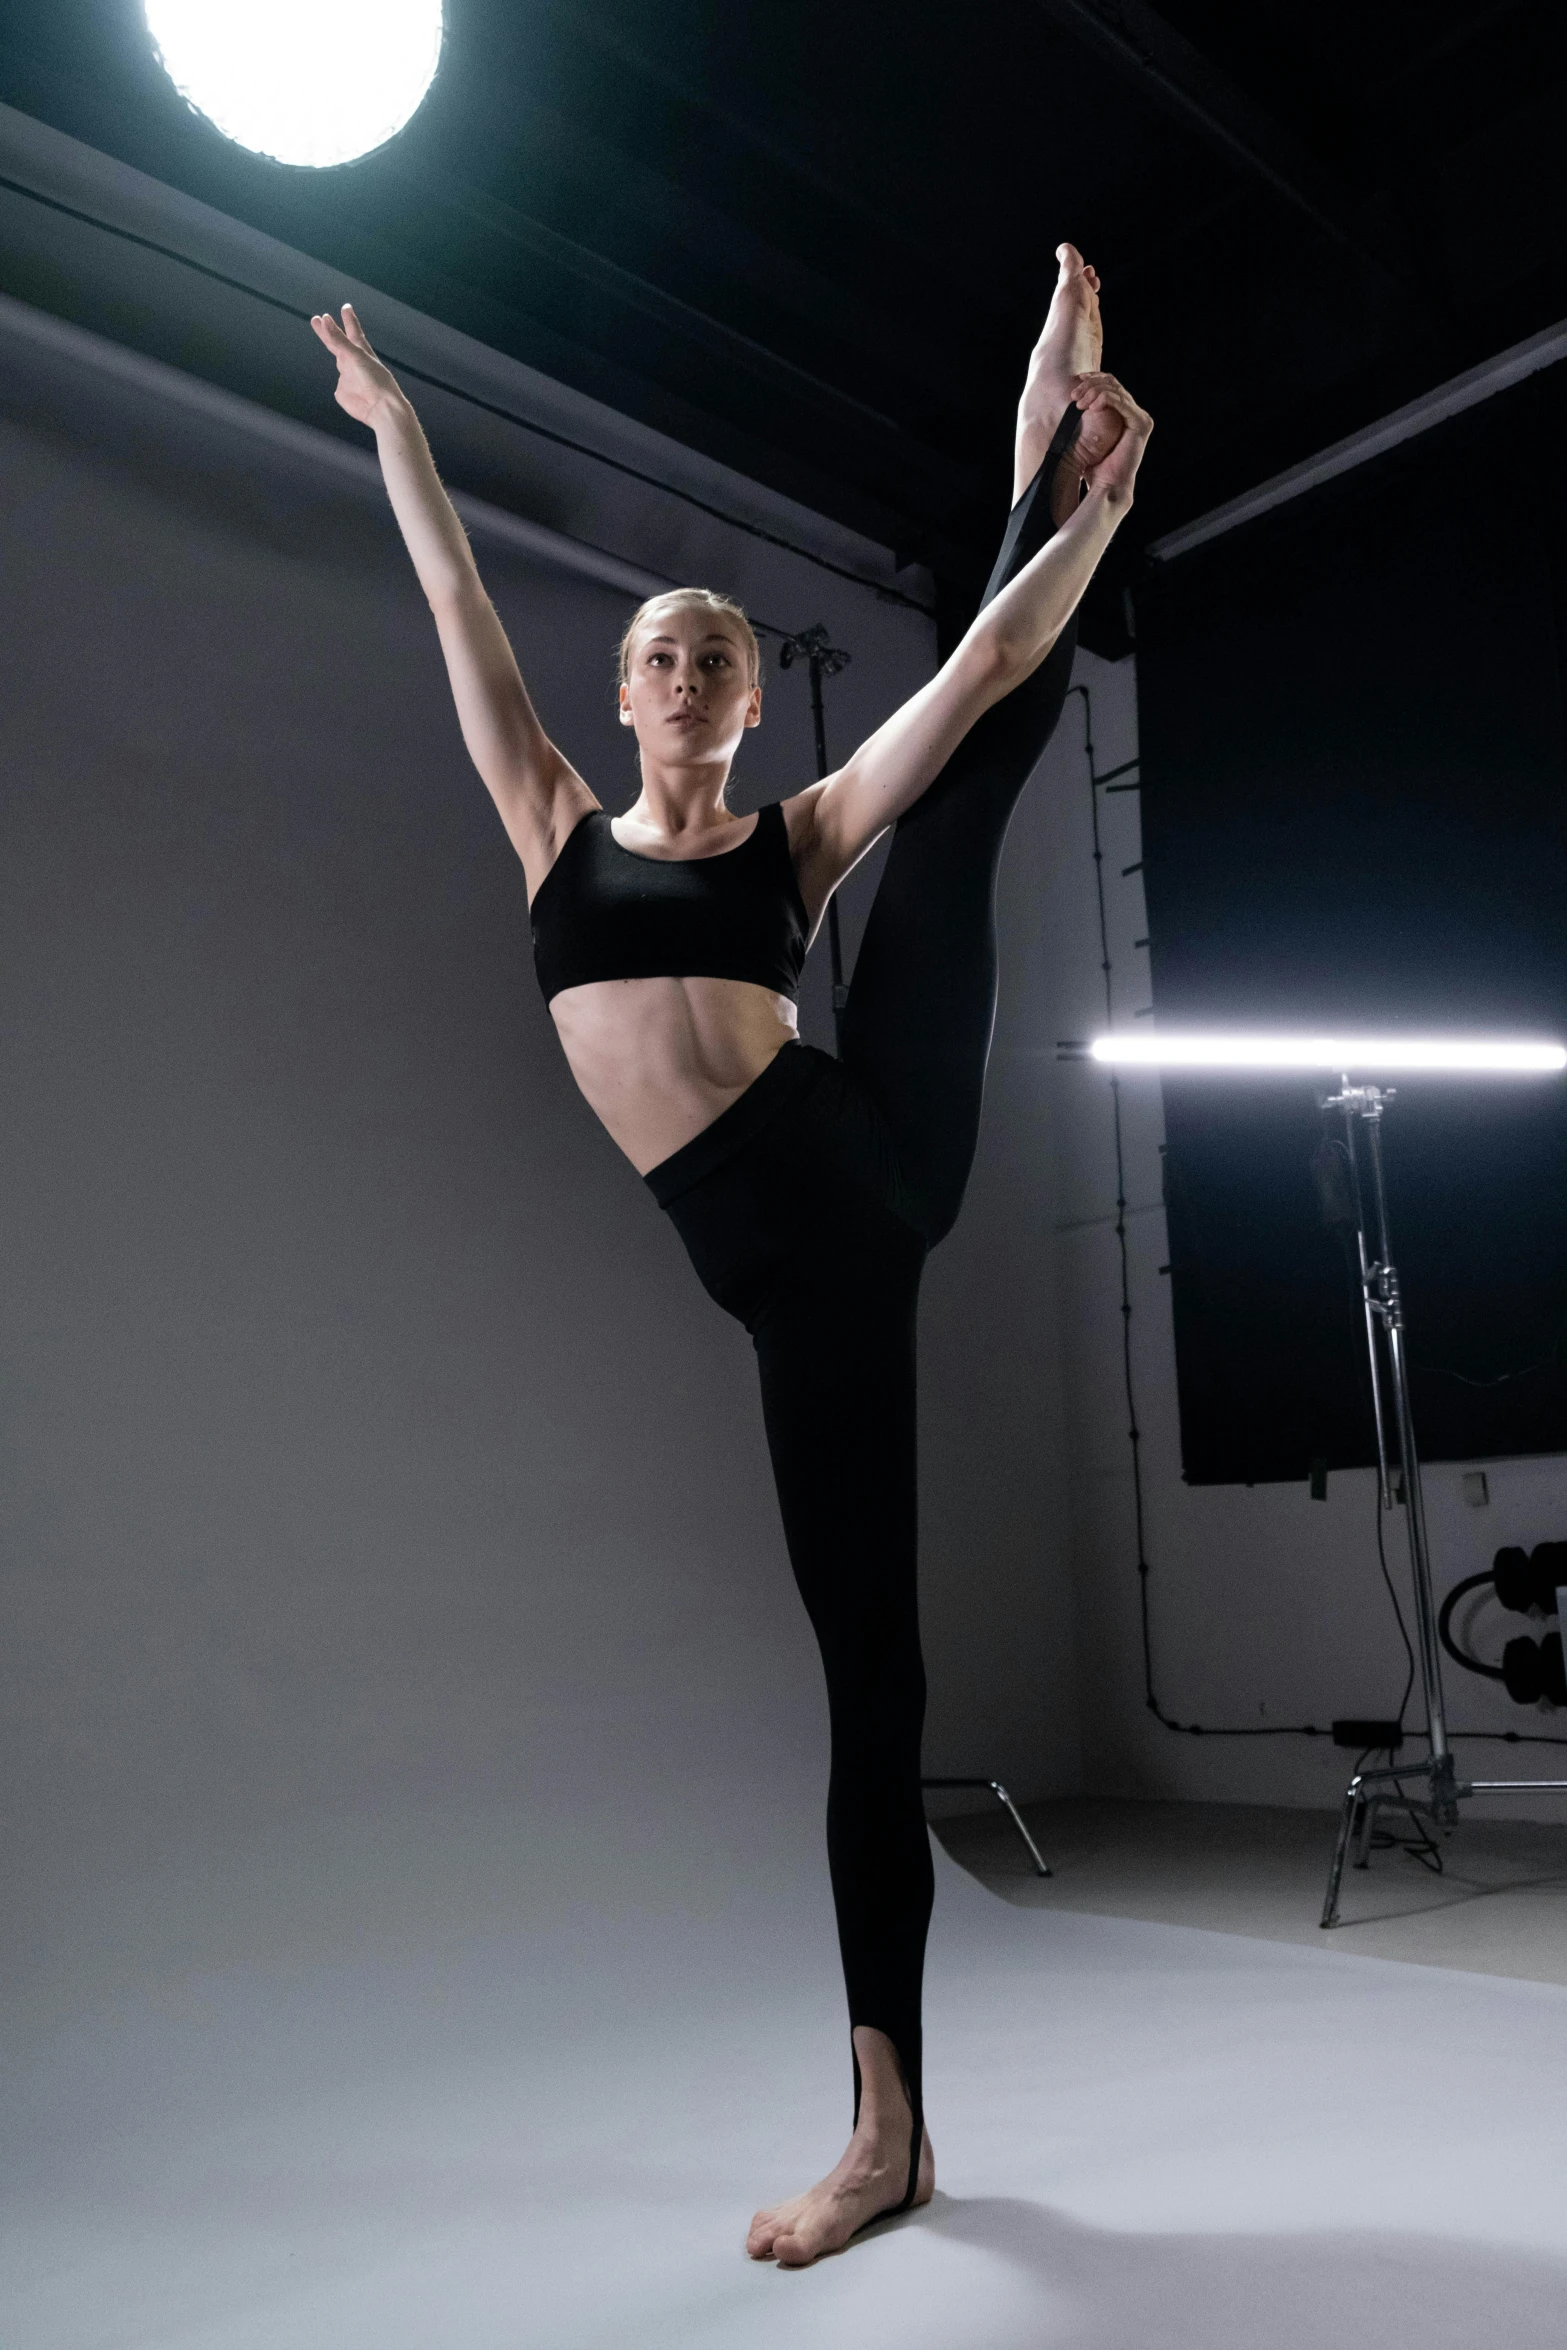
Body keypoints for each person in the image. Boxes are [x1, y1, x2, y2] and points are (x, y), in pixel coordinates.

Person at [310, 244, 1150, 2268]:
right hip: (773, 1260)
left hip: (860, 1186)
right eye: (658, 657)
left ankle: (884, 2130)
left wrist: (1084, 518)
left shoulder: (792, 838)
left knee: (963, 775)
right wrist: (400, 432)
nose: (683, 675)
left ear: (756, 696)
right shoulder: (551, 821)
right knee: (866, 1675)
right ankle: (909, 2130)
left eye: (716, 658)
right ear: (622, 694)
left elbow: (968, 676)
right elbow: (454, 606)